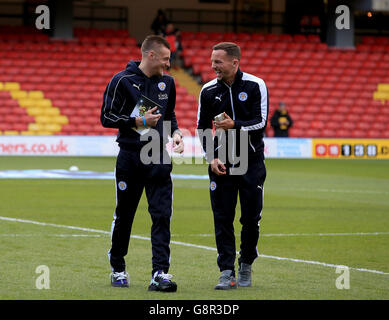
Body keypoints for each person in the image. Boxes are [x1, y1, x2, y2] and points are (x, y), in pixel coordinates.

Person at [100, 35, 184, 292]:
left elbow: (169, 116)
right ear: (151, 55)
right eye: (166, 59)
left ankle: (160, 273)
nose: (168, 65)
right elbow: (106, 116)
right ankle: (118, 267)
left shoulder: (168, 83)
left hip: (158, 155)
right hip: (130, 156)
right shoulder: (121, 80)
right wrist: (135, 121)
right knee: (125, 215)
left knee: (162, 216)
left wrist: (177, 134)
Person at [196, 42, 268, 290]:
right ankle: (227, 271)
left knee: (250, 218)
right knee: (222, 218)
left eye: (218, 61)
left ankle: (246, 262)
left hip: (251, 161)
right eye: (212, 60)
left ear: (234, 62)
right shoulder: (207, 91)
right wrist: (210, 157)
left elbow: (260, 122)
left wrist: (235, 125)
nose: (213, 65)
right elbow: (202, 127)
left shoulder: (255, 85)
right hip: (221, 160)